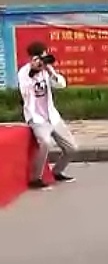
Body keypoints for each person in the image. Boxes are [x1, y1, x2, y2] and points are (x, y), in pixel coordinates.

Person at [18, 41, 78, 189]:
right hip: (37, 118)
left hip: (52, 116)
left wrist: (52, 72)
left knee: (72, 148)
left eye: (44, 57)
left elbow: (62, 85)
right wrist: (32, 72)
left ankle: (57, 172)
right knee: (45, 142)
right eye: (40, 58)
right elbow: (25, 93)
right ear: (32, 58)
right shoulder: (24, 72)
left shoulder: (47, 70)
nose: (42, 61)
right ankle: (35, 179)